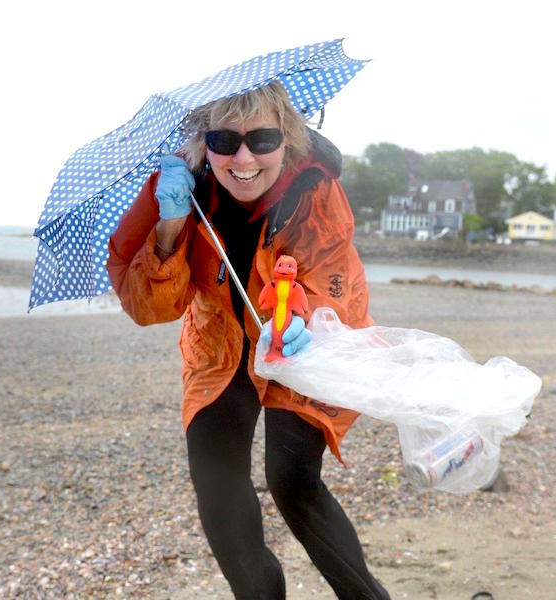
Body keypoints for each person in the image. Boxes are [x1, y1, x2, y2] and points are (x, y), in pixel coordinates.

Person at [107, 81, 389, 600]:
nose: (243, 158)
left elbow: (335, 279)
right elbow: (148, 307)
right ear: (203, 143)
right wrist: (170, 228)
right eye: (223, 140)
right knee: (217, 491)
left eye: (261, 140)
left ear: (288, 140)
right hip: (219, 349)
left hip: (302, 344)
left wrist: (308, 320)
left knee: (292, 479)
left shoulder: (315, 190)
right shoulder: (176, 189)